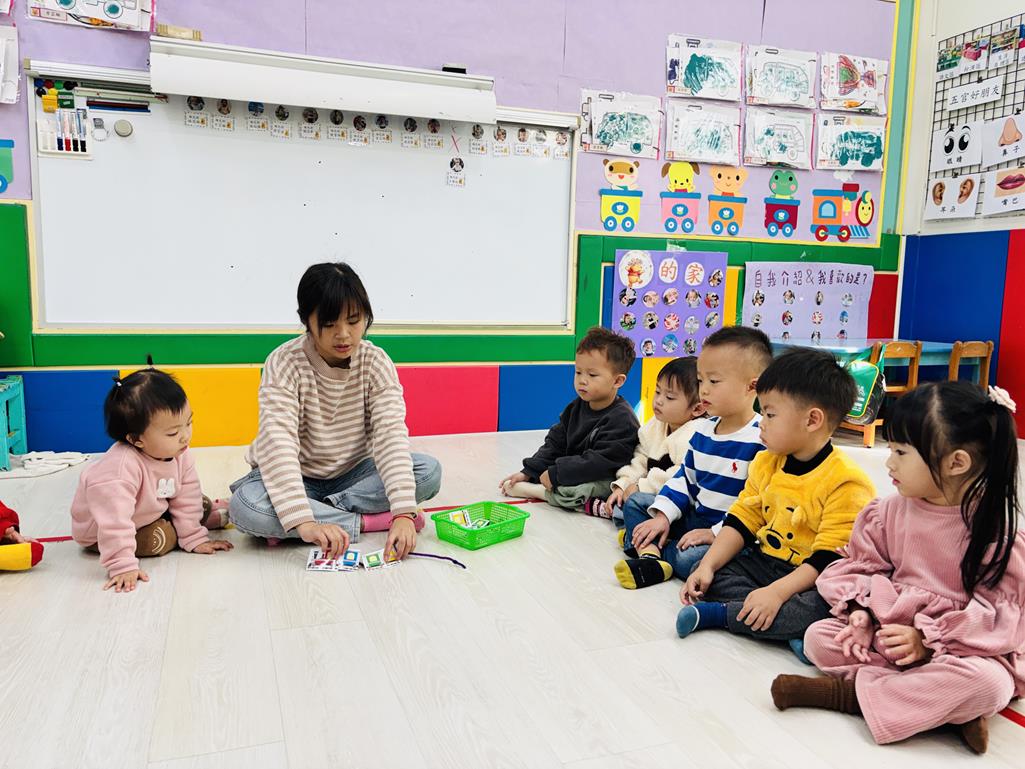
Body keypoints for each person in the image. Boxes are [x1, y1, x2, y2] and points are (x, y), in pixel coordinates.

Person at [771, 382, 1025, 755]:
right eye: (890, 450)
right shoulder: (888, 512)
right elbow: (859, 567)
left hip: (959, 648)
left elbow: (998, 617)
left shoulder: (994, 532)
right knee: (819, 638)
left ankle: (846, 696)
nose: (889, 463)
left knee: (989, 684)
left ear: (956, 463)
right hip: (888, 634)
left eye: (901, 452)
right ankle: (945, 710)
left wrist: (927, 641)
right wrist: (860, 614)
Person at [228, 263, 442, 562]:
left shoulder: (376, 362)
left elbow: (390, 436)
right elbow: (278, 444)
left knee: (428, 471)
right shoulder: (284, 362)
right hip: (296, 474)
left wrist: (404, 513)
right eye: (329, 324)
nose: (344, 335)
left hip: (353, 475)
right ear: (306, 320)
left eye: (354, 321)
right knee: (245, 506)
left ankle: (299, 519)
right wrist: (305, 523)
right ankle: (366, 522)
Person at [678, 348, 875, 664]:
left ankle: (722, 615)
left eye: (770, 415)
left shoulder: (846, 482)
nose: (761, 424)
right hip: (764, 562)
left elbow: (828, 559)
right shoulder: (765, 462)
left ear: (812, 420)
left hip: (812, 576)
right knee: (702, 567)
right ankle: (782, 628)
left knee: (824, 606)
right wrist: (708, 566)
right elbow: (742, 518)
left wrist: (778, 593)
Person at [614, 327, 771, 589]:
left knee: (690, 560)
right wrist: (663, 516)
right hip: (694, 517)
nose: (703, 390)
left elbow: (756, 506)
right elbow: (684, 479)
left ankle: (643, 543)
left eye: (714, 381)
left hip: (730, 533)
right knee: (636, 503)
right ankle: (652, 555)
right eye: (700, 380)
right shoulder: (703, 430)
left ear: (751, 386)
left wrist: (714, 533)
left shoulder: (761, 438)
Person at [72, 368, 233, 592]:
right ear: (136, 439)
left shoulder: (179, 452)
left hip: (149, 509)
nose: (185, 436)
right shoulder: (118, 470)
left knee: (198, 502)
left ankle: (196, 522)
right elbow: (114, 521)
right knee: (159, 539)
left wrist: (194, 538)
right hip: (102, 533)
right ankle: (187, 525)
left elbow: (186, 494)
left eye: (188, 423)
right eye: (172, 433)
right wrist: (122, 565)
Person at [499, 327, 639, 512]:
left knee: (576, 491)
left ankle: (540, 493)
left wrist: (558, 473)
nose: (582, 380)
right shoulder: (576, 407)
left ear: (617, 381)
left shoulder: (623, 419)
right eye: (578, 372)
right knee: (565, 481)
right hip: (578, 471)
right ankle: (551, 490)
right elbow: (556, 442)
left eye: (592, 375)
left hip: (607, 478)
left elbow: (599, 463)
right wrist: (530, 471)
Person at [599, 358, 704, 524]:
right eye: (657, 391)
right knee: (619, 496)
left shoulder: (696, 433)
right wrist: (623, 485)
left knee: (635, 503)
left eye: (669, 397)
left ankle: (632, 529)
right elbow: (641, 459)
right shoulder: (656, 424)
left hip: (680, 502)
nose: (659, 400)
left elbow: (681, 476)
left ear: (697, 408)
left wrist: (642, 486)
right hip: (653, 493)